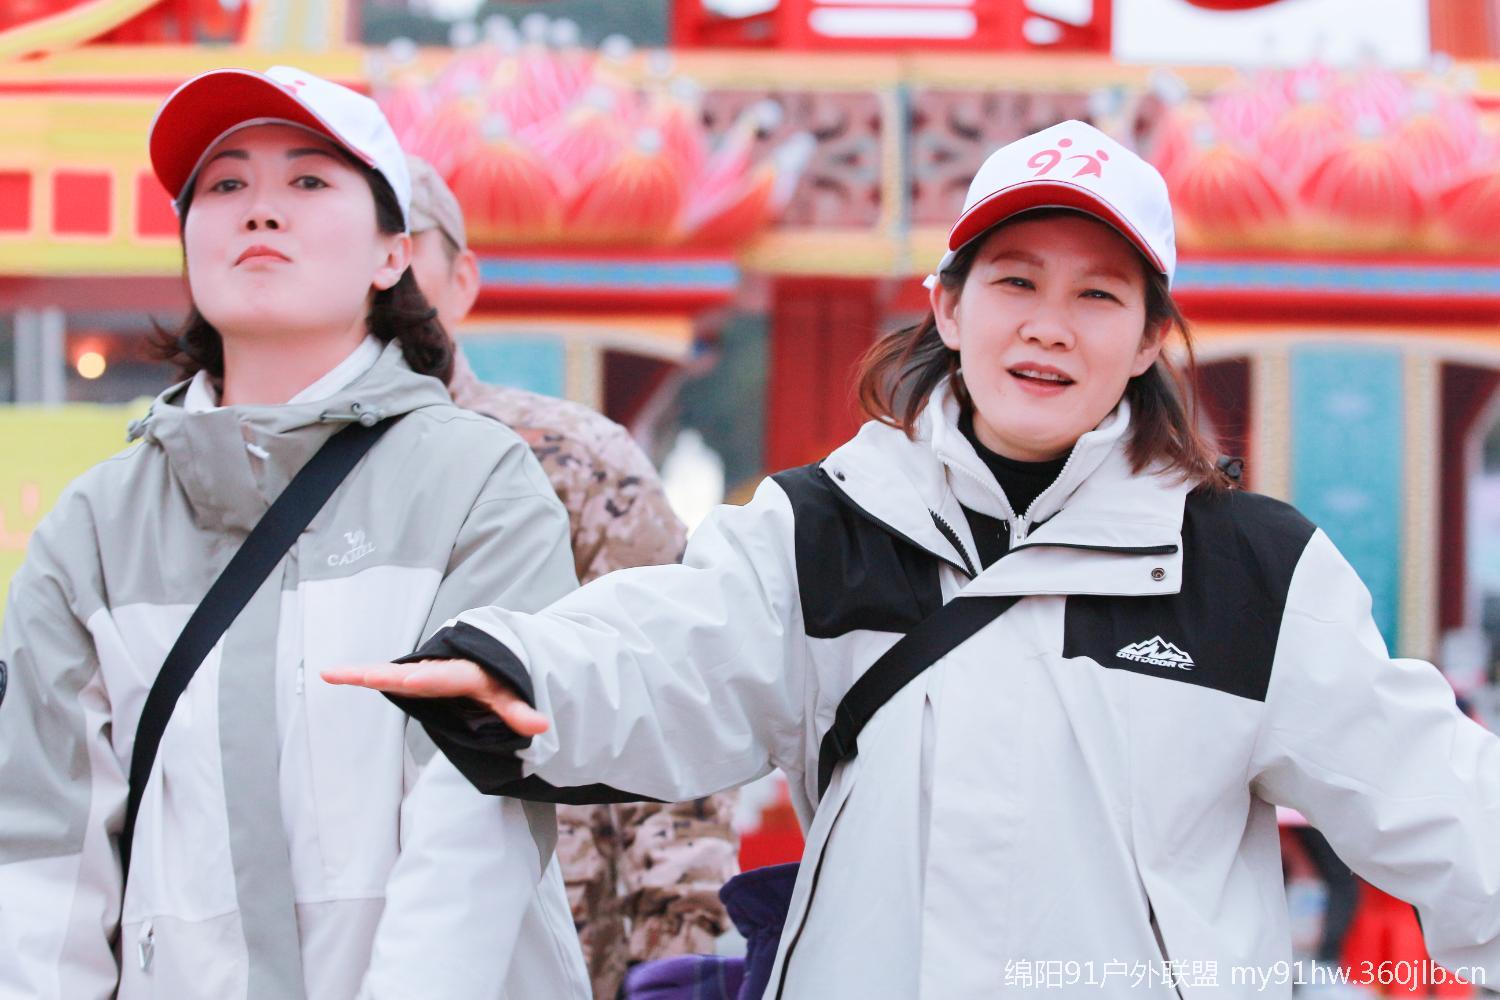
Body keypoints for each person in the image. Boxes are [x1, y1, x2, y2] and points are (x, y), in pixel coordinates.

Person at [326, 121, 1500, 998]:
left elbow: (1438, 798)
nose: (1048, 324)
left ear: (1150, 338)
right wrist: (517, 664)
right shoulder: (822, 528)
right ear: (947, 306)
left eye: (1098, 294)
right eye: (1014, 281)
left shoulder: (1253, 570)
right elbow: (662, 647)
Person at [0, 66, 589, 1000]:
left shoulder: (476, 483)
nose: (260, 209)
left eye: (309, 180)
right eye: (225, 184)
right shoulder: (95, 527)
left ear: (392, 253)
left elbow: (475, 820)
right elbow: (40, 856)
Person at [403, 154, 739, 1000]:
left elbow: (677, 700)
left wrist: (673, 952)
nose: (374, 266)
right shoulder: (236, 476)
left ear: (462, 278)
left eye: (400, 240)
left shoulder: (572, 460)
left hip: (554, 945)